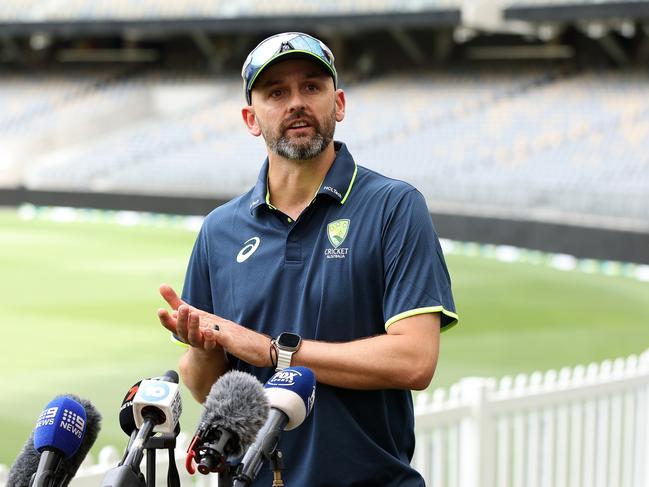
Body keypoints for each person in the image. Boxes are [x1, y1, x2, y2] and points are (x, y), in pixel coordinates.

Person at [158, 32, 458, 486]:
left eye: (311, 87)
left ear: (338, 103)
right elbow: (205, 389)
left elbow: (414, 360)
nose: (296, 102)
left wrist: (271, 352)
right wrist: (203, 350)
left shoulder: (394, 206)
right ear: (251, 118)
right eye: (276, 92)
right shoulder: (219, 230)